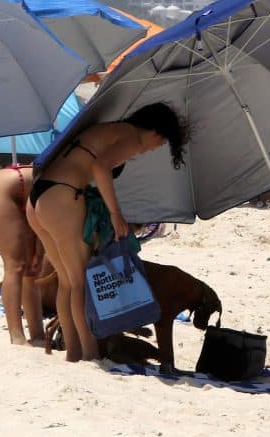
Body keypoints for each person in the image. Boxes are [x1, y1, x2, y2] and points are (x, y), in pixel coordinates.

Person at [26, 102, 189, 362]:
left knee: (68, 283)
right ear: (157, 132)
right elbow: (100, 167)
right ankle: (89, 353)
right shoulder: (132, 136)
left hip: (39, 197)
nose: (153, 149)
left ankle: (74, 353)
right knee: (78, 282)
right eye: (160, 143)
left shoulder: (109, 130)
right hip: (61, 195)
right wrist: (115, 214)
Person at [0, 166, 44, 346]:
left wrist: (39, 254)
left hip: (26, 185)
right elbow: (45, 224)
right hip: (5, 186)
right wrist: (40, 253)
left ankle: (37, 334)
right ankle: (16, 335)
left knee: (32, 271)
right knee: (15, 265)